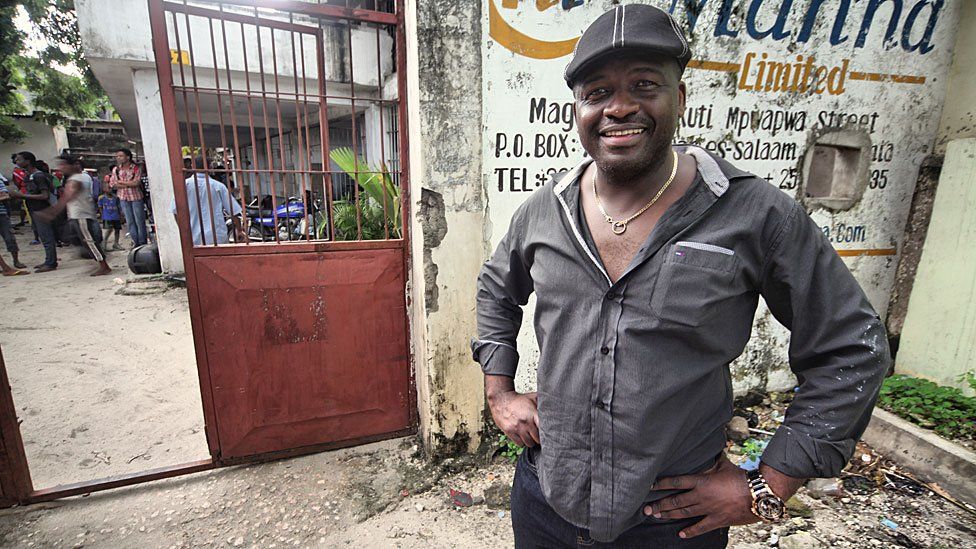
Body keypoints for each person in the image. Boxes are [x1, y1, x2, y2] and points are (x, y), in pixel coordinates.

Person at [472, 6, 890, 547]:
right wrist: (498, 391)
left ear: (681, 98)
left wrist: (769, 483)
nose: (618, 107)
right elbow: (495, 290)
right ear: (578, 108)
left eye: (644, 85)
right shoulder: (543, 212)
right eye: (596, 93)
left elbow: (852, 347)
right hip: (546, 500)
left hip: (673, 521)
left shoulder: (756, 214)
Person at [36, 155, 111, 276]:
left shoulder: (76, 180)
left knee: (89, 241)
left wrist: (51, 212)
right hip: (79, 214)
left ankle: (104, 265)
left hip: (81, 215)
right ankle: (101, 262)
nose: (61, 168)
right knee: (85, 240)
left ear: (72, 165)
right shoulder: (78, 178)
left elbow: (66, 198)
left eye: (63, 165)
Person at [171, 157, 243, 246]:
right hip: (216, 237)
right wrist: (239, 230)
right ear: (209, 167)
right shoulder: (218, 186)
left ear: (192, 166)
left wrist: (184, 232)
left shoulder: (184, 186)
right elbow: (233, 211)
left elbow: (175, 211)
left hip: (193, 237)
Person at [7, 152, 57, 272]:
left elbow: (44, 195)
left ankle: (51, 262)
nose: (16, 162)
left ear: (28, 161)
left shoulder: (37, 176)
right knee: (43, 236)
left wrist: (22, 196)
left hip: (42, 209)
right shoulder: (28, 176)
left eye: (19, 160)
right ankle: (49, 260)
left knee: (47, 236)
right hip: (34, 209)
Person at [109, 147, 147, 247]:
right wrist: (128, 184)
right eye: (117, 156)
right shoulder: (116, 169)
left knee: (139, 221)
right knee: (130, 221)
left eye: (121, 156)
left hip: (136, 197)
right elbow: (113, 184)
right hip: (123, 198)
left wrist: (121, 182)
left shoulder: (135, 168)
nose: (118, 158)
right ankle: (136, 242)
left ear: (128, 157)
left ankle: (143, 242)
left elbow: (137, 182)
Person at [0, 174, 27, 275]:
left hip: (1, 214)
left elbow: (5, 195)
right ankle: (5, 267)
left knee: (10, 238)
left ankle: (15, 261)